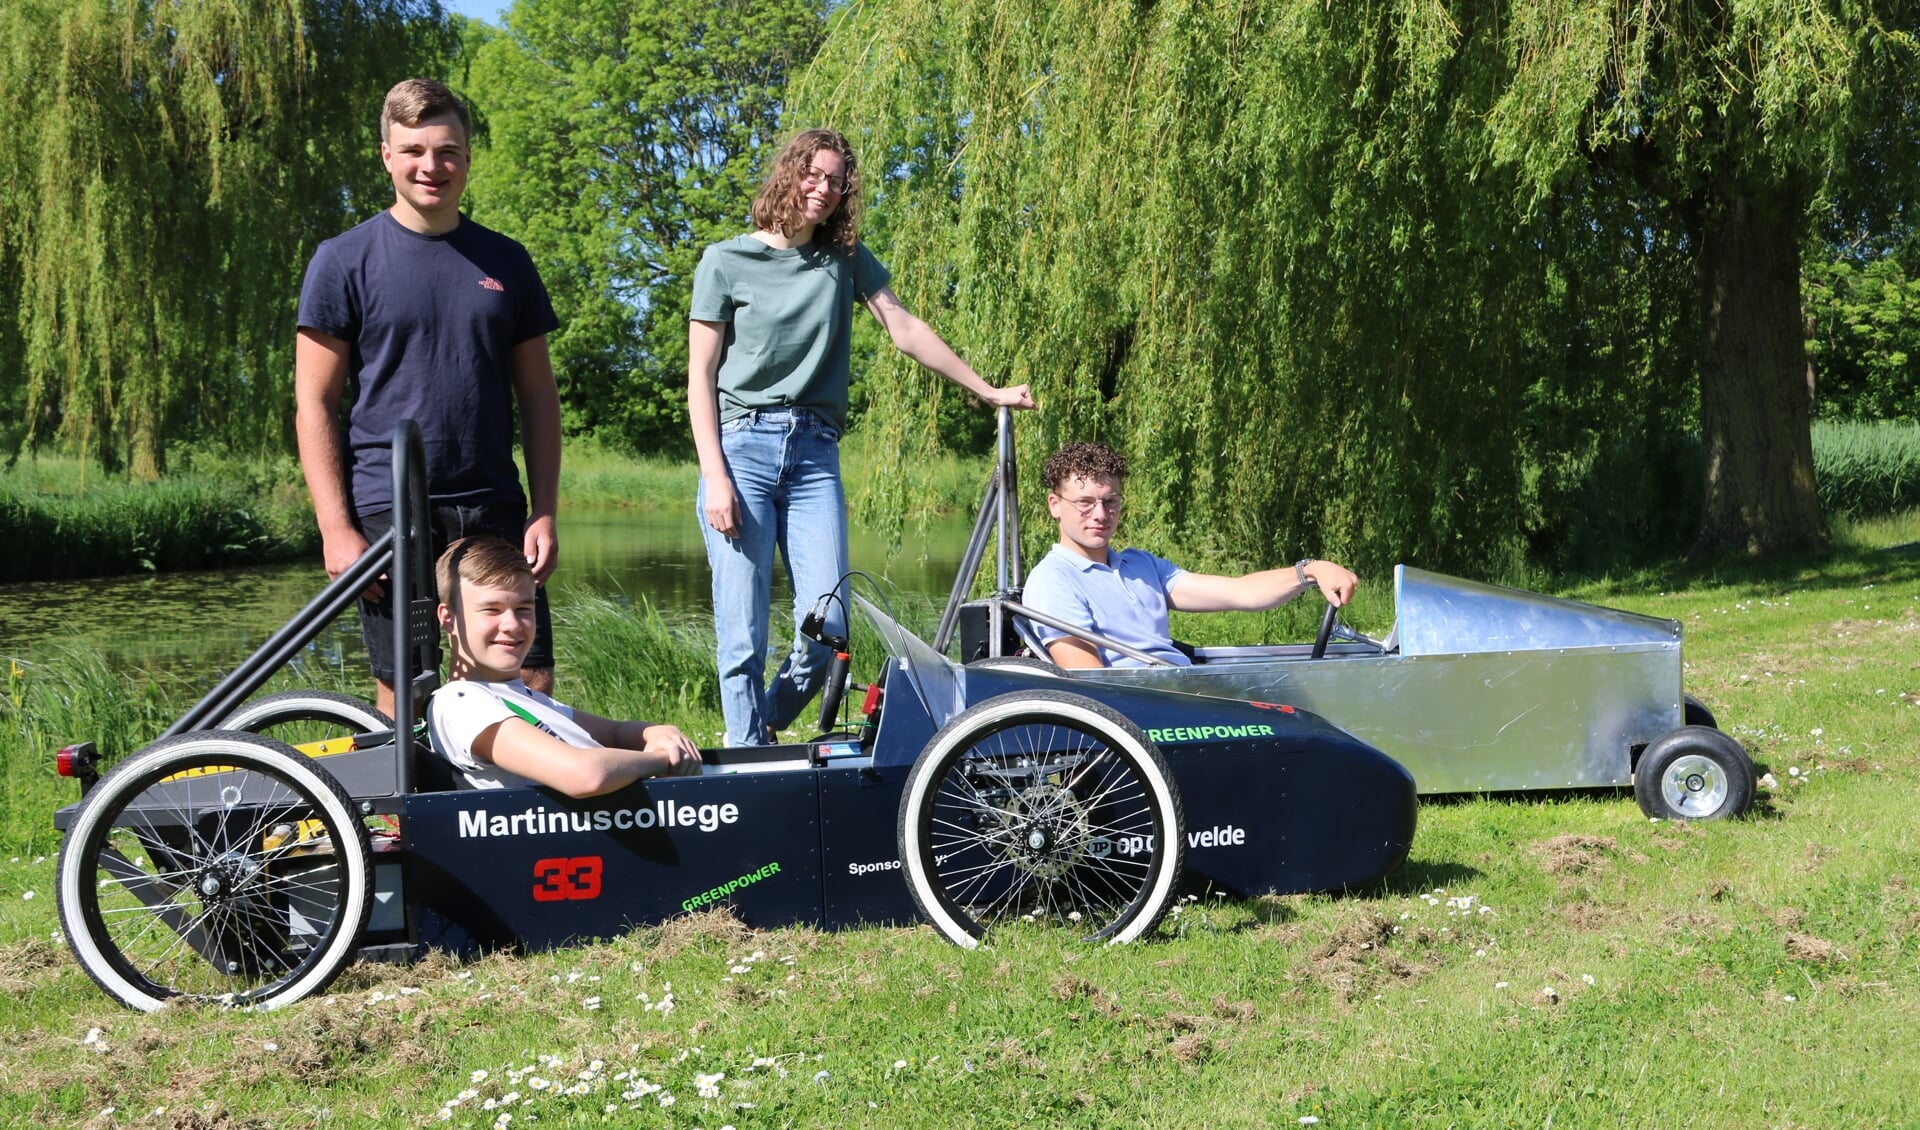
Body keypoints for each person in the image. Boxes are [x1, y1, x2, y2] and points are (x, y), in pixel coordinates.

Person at [688, 127, 1036, 745]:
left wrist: (986, 390)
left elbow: (903, 327)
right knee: (742, 632)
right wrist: (715, 476)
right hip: (742, 448)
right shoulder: (725, 261)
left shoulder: (843, 258)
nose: (822, 189)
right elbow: (701, 378)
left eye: (836, 181)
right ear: (789, 173)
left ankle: (760, 729)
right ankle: (747, 759)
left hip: (815, 453)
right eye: (813, 175)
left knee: (830, 625)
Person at [295, 78, 563, 719]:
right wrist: (336, 529)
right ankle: (408, 822)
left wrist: (545, 510)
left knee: (527, 679)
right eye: (413, 150)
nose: (431, 166)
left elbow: (538, 396)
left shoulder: (507, 261)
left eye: (447, 151)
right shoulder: (343, 261)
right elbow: (315, 402)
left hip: (492, 502)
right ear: (387, 154)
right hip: (391, 508)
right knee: (405, 689)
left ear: (467, 157)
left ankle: (502, 817)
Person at [1021, 442, 1360, 668]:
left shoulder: (1141, 565)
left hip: (1183, 693)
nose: (1100, 514)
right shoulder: (1052, 580)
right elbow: (1092, 685)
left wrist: (1311, 570)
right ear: (1055, 505)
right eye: (1085, 503)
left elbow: (1240, 592)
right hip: (1146, 720)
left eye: (1110, 501)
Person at [427, 537, 702, 794]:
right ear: (448, 618)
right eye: (492, 610)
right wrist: (661, 759)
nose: (511, 625)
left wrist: (662, 733)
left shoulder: (520, 696)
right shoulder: (460, 703)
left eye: (524, 609)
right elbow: (584, 776)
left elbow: (617, 732)